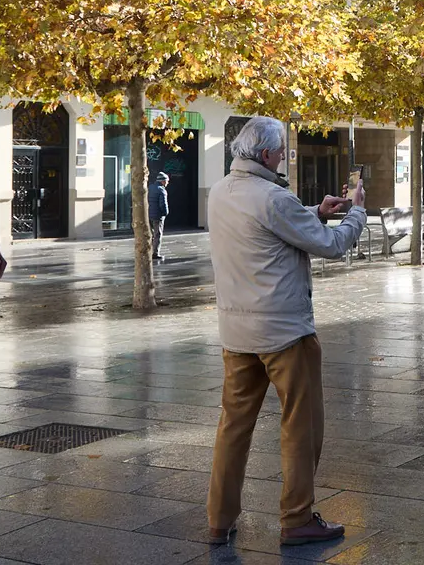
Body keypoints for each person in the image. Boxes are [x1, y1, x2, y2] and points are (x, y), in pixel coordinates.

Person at [206, 116, 366, 547]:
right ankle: (296, 519)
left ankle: (219, 519)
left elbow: (263, 229)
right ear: (264, 155)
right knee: (301, 424)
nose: (283, 157)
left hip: (236, 332)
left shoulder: (220, 192)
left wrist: (314, 211)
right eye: (279, 152)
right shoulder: (273, 197)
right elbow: (331, 245)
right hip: (283, 333)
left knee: (233, 427)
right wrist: (358, 211)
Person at [149, 172, 169, 260]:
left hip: (149, 214)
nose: (168, 183)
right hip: (158, 216)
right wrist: (165, 213)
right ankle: (155, 253)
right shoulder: (161, 190)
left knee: (150, 234)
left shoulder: (150, 187)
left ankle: (149, 251)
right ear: (163, 181)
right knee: (158, 234)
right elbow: (163, 205)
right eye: (167, 181)